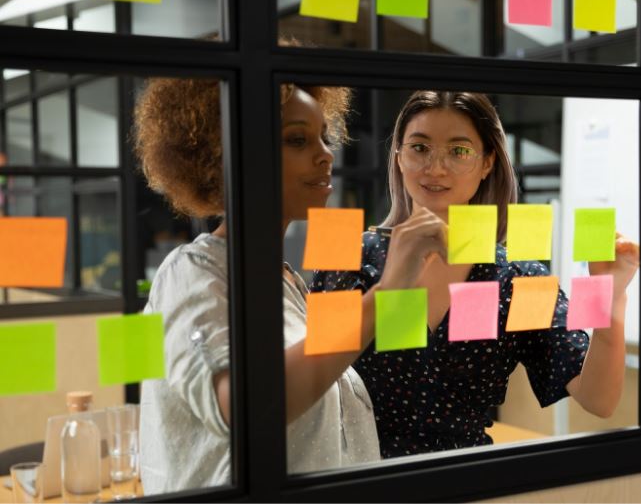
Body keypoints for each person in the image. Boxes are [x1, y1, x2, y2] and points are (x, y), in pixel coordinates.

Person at [133, 77, 449, 491]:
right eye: (297, 140)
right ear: (231, 155)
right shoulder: (191, 274)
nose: (325, 155)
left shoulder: (284, 282)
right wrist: (387, 292)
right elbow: (246, 408)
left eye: (323, 137)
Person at [312, 90, 640, 459]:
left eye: (459, 151)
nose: (436, 168)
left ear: (487, 163)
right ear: (399, 157)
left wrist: (611, 295)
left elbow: (598, 399)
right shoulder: (351, 259)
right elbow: (312, 384)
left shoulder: (516, 279)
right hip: (357, 478)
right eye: (420, 148)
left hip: (469, 478)